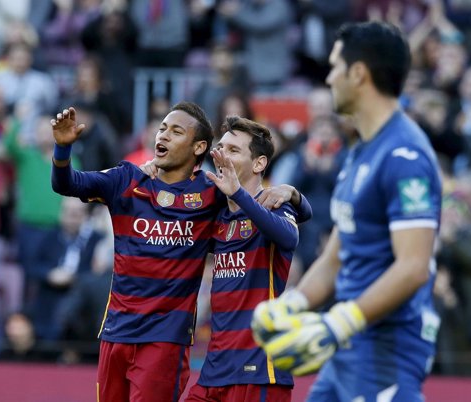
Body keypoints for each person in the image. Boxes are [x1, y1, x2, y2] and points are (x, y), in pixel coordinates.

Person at [51, 101, 308, 401]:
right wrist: (63, 151)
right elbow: (66, 183)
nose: (163, 136)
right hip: (117, 333)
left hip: (168, 342)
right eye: (161, 129)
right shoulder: (127, 180)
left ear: (198, 146)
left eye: (175, 131)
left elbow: (284, 226)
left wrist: (293, 194)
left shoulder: (213, 195)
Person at [251, 21, 442, 402]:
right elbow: (337, 256)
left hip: (387, 346)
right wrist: (295, 303)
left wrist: (341, 321)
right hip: (349, 345)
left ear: (358, 74)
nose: (329, 77)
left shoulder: (406, 155)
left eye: (336, 66)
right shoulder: (359, 151)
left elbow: (413, 267)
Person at [185, 116, 303, 401]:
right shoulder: (219, 216)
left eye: (234, 150)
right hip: (215, 368)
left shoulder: (275, 204)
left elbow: (289, 238)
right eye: (221, 147)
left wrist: (289, 194)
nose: (222, 155)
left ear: (259, 164)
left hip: (260, 369)